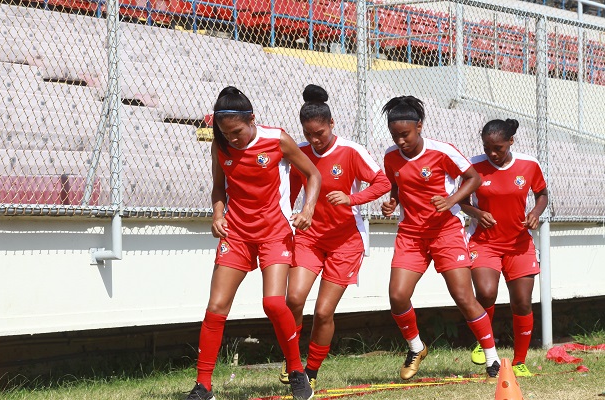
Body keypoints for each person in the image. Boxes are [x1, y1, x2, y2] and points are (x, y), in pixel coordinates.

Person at [186, 86, 321, 400]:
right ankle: (203, 386)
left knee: (273, 303)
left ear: (252, 119)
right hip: (236, 234)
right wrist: (218, 214)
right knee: (216, 307)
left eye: (237, 132)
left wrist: (308, 208)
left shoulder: (277, 140)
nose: (232, 139)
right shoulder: (221, 147)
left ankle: (296, 372)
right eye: (225, 133)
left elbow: (313, 174)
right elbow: (219, 189)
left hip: (275, 232)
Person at [380, 96, 501, 383]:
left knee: (462, 296)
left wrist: (451, 201)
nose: (400, 141)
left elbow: (473, 179)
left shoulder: (441, 151)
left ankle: (492, 356)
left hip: (446, 232)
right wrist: (392, 202)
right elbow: (396, 185)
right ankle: (416, 348)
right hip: (411, 235)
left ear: (419, 127)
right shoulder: (390, 156)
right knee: (397, 296)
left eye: (405, 134)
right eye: (394, 135)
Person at [278, 84, 391, 389]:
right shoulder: (299, 152)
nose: (315, 139)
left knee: (324, 311)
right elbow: (289, 194)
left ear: (331, 124)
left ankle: (311, 372)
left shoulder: (350, 151)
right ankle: (293, 364)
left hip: (346, 241)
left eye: (320, 133)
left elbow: (383, 182)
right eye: (308, 133)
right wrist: (287, 220)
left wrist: (352, 199)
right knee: (293, 299)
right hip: (309, 237)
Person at [461, 119, 548, 377]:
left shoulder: (529, 164)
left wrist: (535, 212)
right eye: (487, 147)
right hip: (484, 242)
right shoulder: (474, 166)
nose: (492, 153)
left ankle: (519, 362)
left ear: (511, 142)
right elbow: (462, 200)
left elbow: (542, 193)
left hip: (519, 245)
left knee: (522, 301)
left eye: (497, 148)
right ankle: (483, 343)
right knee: (486, 293)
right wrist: (477, 212)